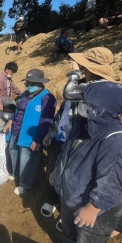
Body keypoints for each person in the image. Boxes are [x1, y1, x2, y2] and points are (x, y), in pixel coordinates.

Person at [49, 81, 122, 243]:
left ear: (103, 109)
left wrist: (93, 207)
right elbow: (67, 152)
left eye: (86, 103)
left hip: (97, 209)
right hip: (70, 197)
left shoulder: (117, 142)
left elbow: (111, 182)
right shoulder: (82, 127)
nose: (81, 107)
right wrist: (58, 170)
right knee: (69, 233)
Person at [3, 69, 56, 195]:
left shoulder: (47, 98)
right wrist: (11, 120)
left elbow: (46, 120)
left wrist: (38, 139)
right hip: (16, 130)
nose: (28, 86)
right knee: (13, 152)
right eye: (27, 83)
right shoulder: (25, 95)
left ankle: (25, 184)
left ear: (40, 84)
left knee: (27, 160)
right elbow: (17, 110)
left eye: (31, 84)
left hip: (30, 136)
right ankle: (16, 174)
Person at [41, 99, 79, 231]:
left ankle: (66, 211)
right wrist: (51, 134)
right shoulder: (66, 102)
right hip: (58, 141)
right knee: (51, 171)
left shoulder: (86, 103)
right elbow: (58, 119)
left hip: (74, 144)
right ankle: (51, 200)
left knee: (69, 177)